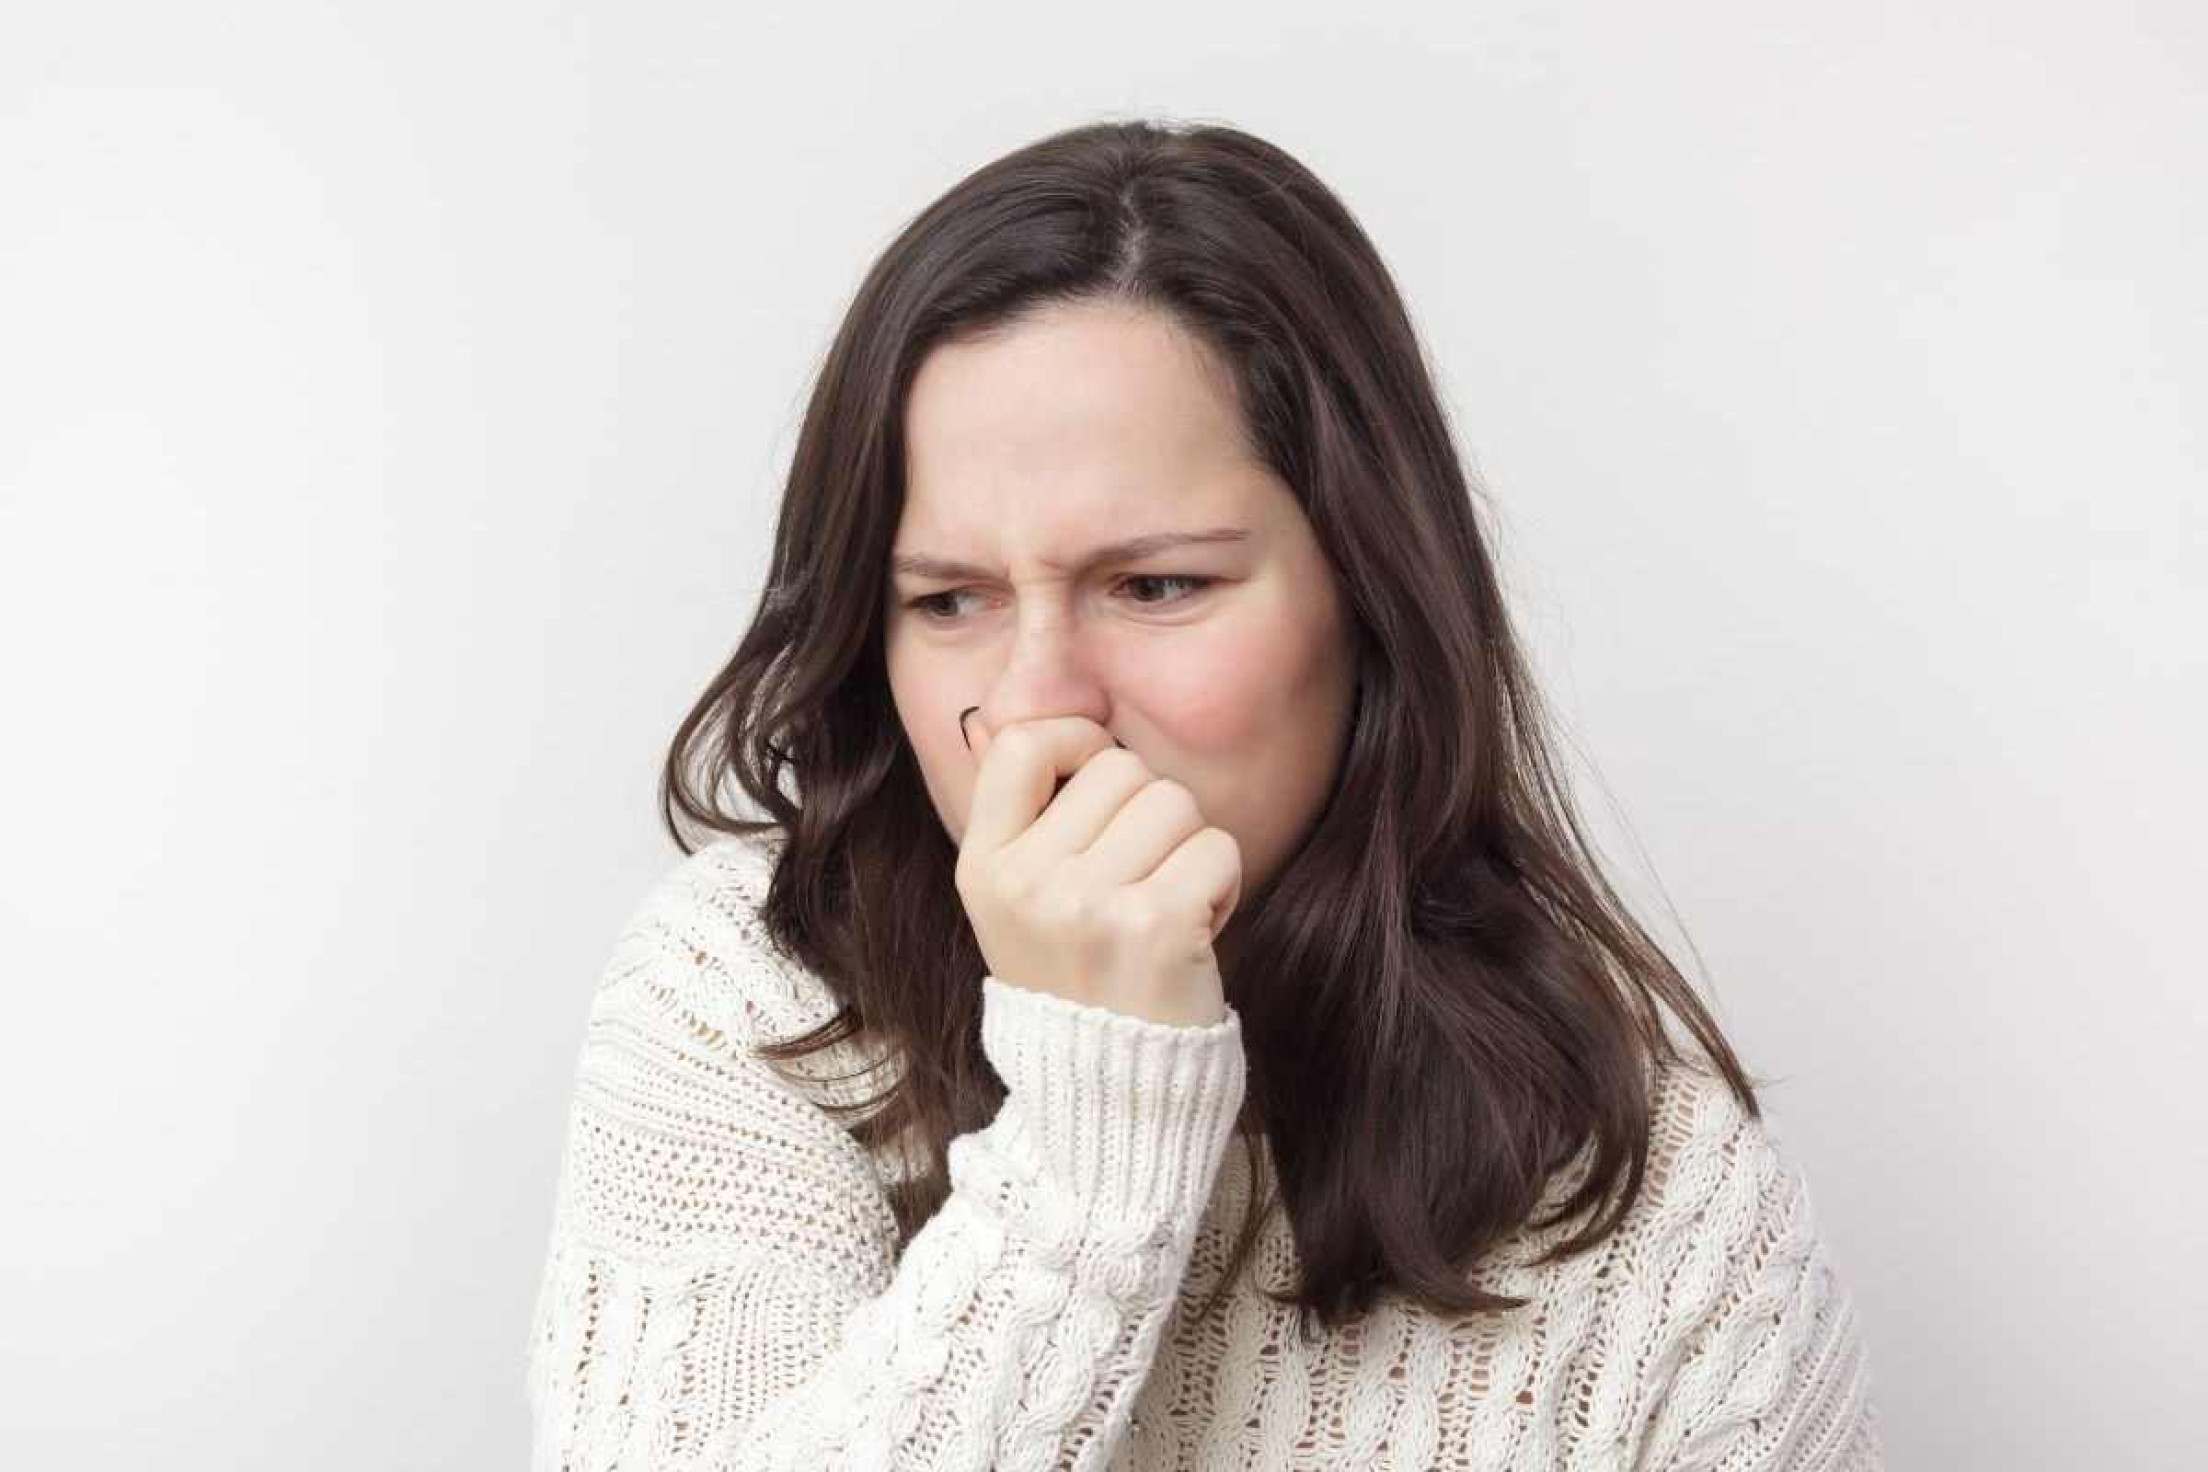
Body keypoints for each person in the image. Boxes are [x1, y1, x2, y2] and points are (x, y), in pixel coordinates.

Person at [524, 118, 1885, 1470]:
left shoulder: (1661, 1204)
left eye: (1157, 586)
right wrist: (1096, 1117)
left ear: (1369, 595)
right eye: (949, 601)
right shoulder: (746, 1004)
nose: (1045, 703)